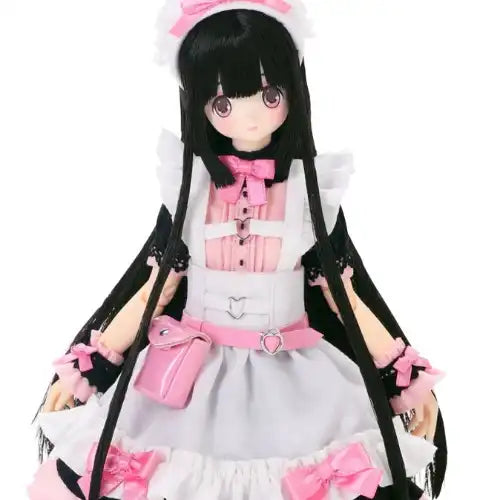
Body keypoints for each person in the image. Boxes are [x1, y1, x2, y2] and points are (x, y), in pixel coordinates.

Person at [28, 1, 447, 498]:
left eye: (269, 94)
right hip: (187, 382)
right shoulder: (188, 192)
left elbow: (344, 299)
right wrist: (89, 370)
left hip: (296, 378)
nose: (249, 117)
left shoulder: (310, 196)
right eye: (224, 103)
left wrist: (405, 379)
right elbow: (154, 291)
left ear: (294, 90)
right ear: (199, 104)